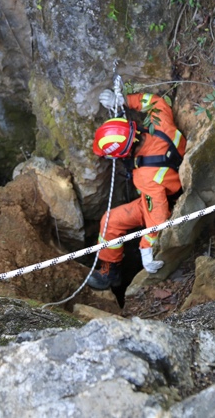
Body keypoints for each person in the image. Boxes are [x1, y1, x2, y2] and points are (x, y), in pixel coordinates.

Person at [88, 90, 186, 290]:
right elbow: (156, 101)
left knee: (110, 221)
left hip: (170, 199)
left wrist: (146, 246)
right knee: (110, 220)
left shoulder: (146, 175)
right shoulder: (158, 124)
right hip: (166, 186)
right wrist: (124, 101)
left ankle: (111, 273)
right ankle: (111, 270)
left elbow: (158, 212)